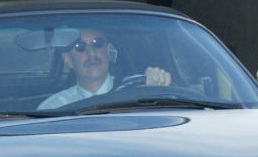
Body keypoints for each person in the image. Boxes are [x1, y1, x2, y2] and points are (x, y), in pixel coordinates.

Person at [38, 28, 172, 110]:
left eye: (98, 43)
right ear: (68, 59)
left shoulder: (139, 92)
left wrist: (159, 89)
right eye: (80, 46)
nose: (91, 53)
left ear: (107, 51)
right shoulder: (54, 107)